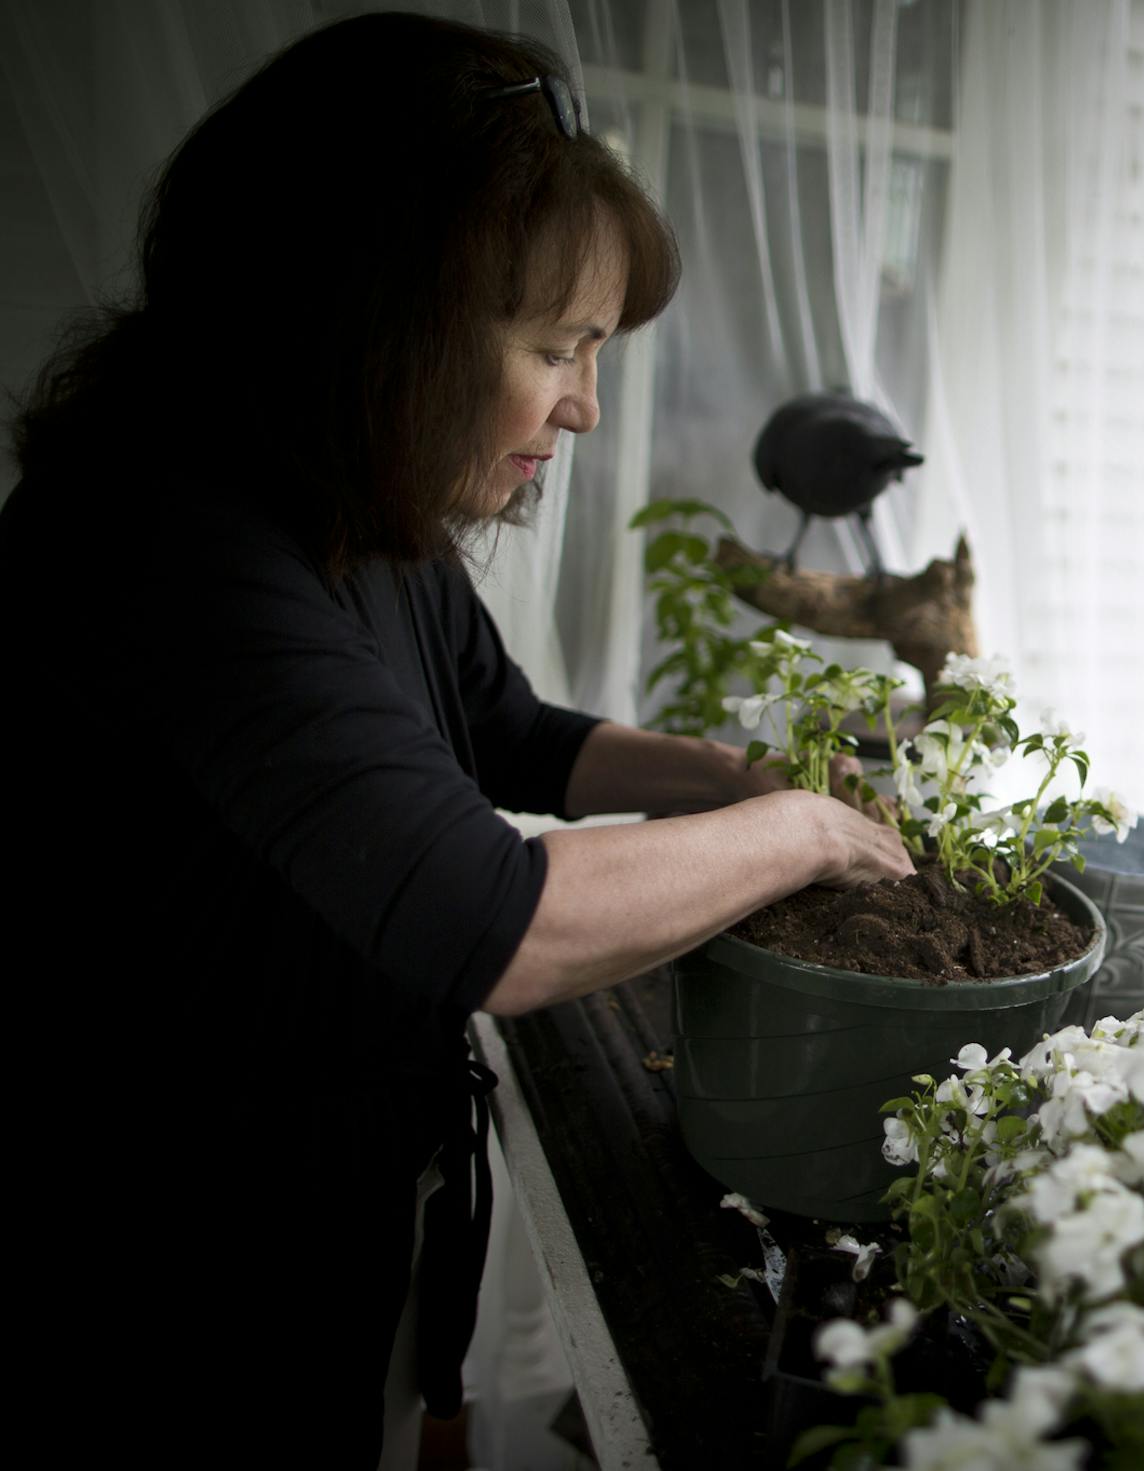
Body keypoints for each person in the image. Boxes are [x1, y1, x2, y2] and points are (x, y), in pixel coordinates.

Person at [0, 12, 910, 1467]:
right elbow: (498, 923)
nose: (588, 406)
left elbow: (500, 729)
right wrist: (796, 832)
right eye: (559, 346)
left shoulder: (355, 494)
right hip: (165, 1234)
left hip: (322, 1191)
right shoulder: (173, 541)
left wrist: (728, 776)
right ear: (380, 311)